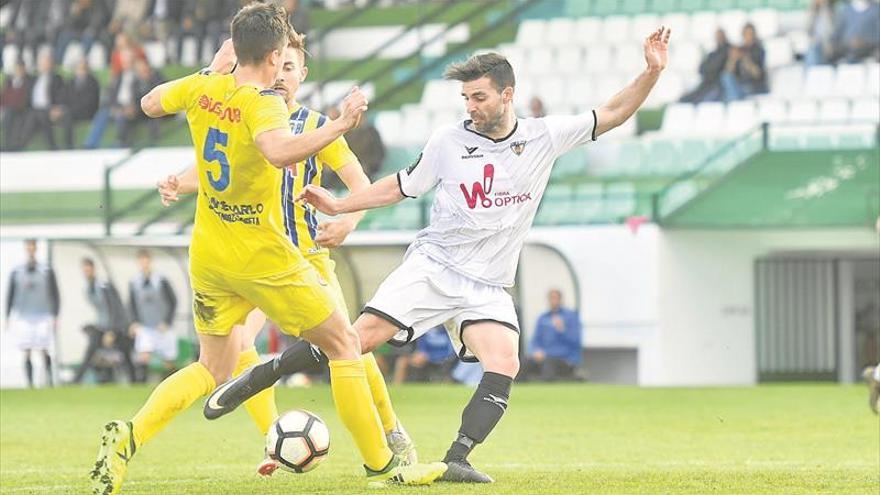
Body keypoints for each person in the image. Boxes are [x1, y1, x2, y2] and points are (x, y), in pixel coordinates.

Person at [207, 26, 672, 483]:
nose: (471, 107)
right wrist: (340, 203)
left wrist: (650, 73)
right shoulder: (448, 141)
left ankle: (457, 459)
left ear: (507, 95)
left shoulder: (542, 137)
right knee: (352, 342)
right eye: (466, 99)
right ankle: (258, 378)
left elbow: (612, 112)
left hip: (488, 284)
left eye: (480, 98)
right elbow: (399, 187)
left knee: (505, 360)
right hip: (434, 268)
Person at [89, 5, 446, 494]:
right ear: (276, 56)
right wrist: (341, 124)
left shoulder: (205, 85)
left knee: (212, 366)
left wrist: (211, 71)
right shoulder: (265, 105)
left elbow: (151, 103)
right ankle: (385, 466)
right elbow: (276, 150)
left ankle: (126, 440)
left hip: (210, 255)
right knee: (345, 342)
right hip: (264, 257)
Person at [157, 29, 417, 469]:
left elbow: (362, 188)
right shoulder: (249, 110)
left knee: (347, 342)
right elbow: (214, 165)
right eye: (279, 65)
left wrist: (346, 223)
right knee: (240, 343)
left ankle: (391, 429)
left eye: (291, 68)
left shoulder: (316, 127)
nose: (281, 75)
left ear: (302, 74)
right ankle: (272, 440)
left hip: (306, 258)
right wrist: (179, 182)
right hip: (260, 256)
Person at [4, 239, 60, 388]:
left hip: (43, 314)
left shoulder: (46, 270)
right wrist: (7, 316)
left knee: (44, 347)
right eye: (28, 247)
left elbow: (55, 294)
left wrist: (55, 314)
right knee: (27, 348)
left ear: (36, 248)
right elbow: (10, 294)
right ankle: (30, 383)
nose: (31, 250)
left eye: (33, 247)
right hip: (24, 315)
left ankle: (50, 381)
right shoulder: (17, 271)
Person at [74, 258, 137, 385]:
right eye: (84, 270)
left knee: (125, 352)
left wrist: (111, 331)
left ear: (93, 269)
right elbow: (101, 310)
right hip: (102, 326)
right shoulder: (88, 288)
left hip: (116, 326)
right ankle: (76, 381)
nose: (87, 272)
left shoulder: (103, 285)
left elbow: (113, 307)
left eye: (88, 269)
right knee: (91, 350)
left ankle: (135, 381)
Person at [128, 250, 178, 383]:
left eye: (146, 260)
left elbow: (173, 301)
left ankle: (171, 383)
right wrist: (134, 322)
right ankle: (141, 384)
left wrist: (167, 321)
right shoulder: (134, 282)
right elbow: (131, 304)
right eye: (141, 261)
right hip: (145, 325)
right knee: (144, 354)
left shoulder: (161, 280)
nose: (144, 264)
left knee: (168, 359)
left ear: (150, 261)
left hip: (161, 326)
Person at [527, 289, 582, 382]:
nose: (553, 301)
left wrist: (562, 330)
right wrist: (535, 351)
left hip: (564, 358)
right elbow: (535, 340)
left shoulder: (571, 317)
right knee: (525, 362)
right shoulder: (543, 318)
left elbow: (575, 341)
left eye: (555, 298)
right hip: (544, 357)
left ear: (561, 300)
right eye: (551, 298)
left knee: (548, 364)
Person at [19, 52, 68, 150]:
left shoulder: (57, 78)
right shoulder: (33, 79)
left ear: (52, 64)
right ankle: (18, 146)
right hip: (33, 109)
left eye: (47, 63)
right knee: (30, 115)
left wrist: (57, 108)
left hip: (49, 108)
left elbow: (62, 95)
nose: (44, 65)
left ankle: (52, 147)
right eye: (42, 63)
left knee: (39, 115)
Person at [720, 23, 768, 102]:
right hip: (740, 85)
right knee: (725, 79)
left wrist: (745, 59)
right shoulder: (740, 49)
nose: (749, 36)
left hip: (754, 86)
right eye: (747, 34)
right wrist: (733, 59)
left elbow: (757, 73)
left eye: (751, 34)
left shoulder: (758, 50)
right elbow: (728, 72)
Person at [59, 58, 100, 149]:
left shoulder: (93, 82)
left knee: (67, 115)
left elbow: (91, 101)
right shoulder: (70, 82)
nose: (81, 71)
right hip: (72, 111)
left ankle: (69, 146)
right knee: (64, 114)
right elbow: (64, 98)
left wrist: (70, 109)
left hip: (87, 112)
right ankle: (66, 145)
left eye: (83, 68)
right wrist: (62, 108)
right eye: (79, 68)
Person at [680, 28, 729, 103]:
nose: (719, 38)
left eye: (721, 36)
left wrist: (709, 69)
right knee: (686, 99)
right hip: (707, 84)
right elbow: (701, 69)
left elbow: (716, 68)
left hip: (716, 86)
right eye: (717, 36)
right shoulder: (712, 54)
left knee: (701, 102)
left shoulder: (729, 51)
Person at [0, 60, 32, 151]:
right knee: (7, 112)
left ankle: (9, 145)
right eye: (17, 69)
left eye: (20, 69)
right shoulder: (9, 80)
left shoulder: (28, 81)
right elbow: (3, 95)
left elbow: (26, 97)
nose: (18, 71)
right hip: (6, 108)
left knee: (10, 114)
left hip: (20, 108)